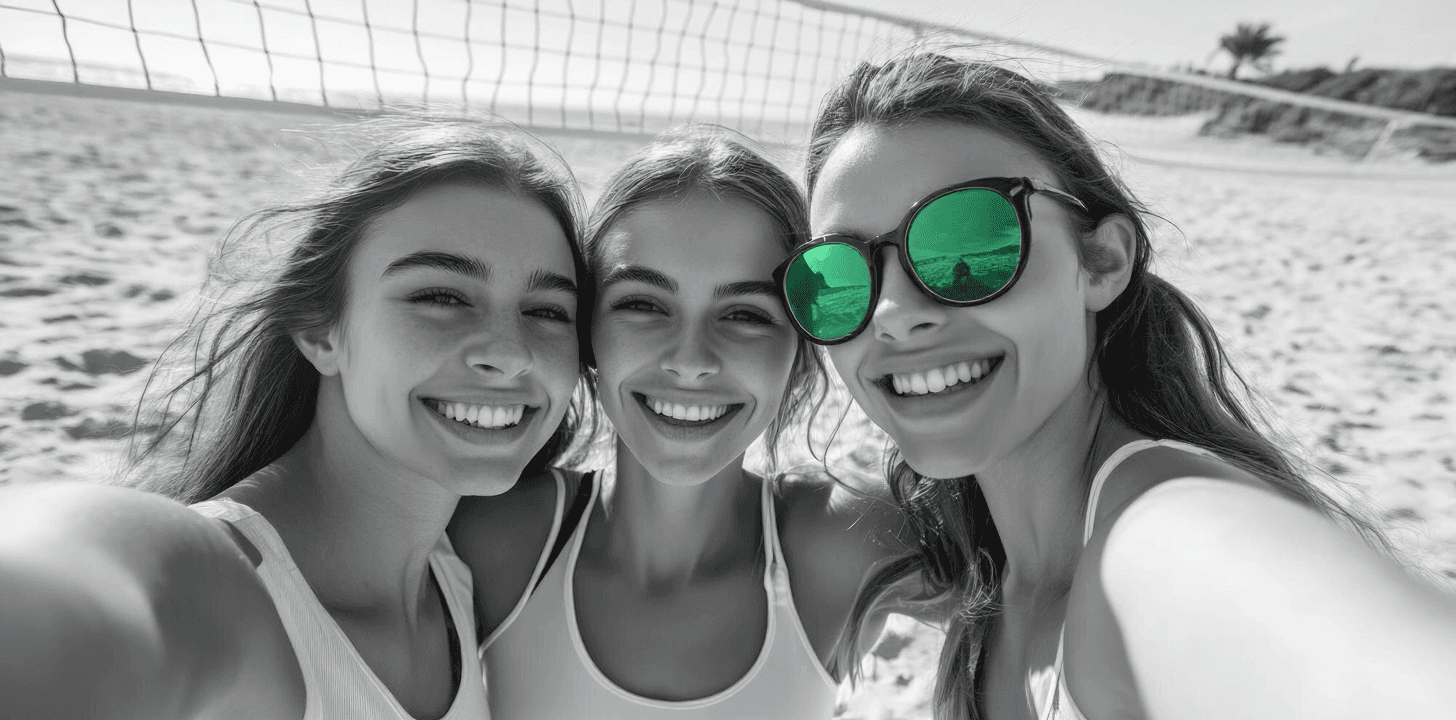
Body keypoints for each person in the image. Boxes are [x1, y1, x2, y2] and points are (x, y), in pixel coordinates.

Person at [775, 52, 1456, 719]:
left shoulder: (1164, 531)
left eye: (965, 246)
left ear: (1102, 260)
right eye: (837, 274)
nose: (893, 313)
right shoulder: (983, 575)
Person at [0, 117, 593, 720]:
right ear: (318, 329)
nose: (509, 352)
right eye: (440, 296)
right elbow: (54, 580)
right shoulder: (221, 584)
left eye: (547, 310)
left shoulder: (461, 582)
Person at [448, 128, 923, 719]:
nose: (691, 361)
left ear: (800, 355)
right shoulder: (491, 535)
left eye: (746, 314)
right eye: (644, 305)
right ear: (587, 332)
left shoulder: (843, 544)